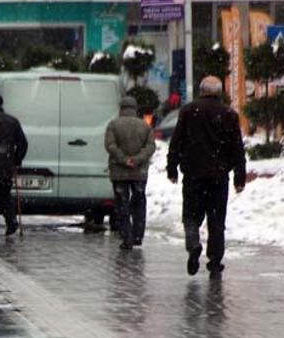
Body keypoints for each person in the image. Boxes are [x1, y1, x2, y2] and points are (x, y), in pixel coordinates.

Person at [167, 76, 247, 278]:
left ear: (201, 91)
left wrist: (172, 167)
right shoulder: (229, 114)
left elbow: (177, 141)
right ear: (220, 92)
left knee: (191, 216)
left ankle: (193, 243)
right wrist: (239, 176)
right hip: (218, 176)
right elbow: (237, 148)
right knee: (217, 221)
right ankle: (215, 262)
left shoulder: (188, 111)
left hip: (193, 175)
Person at [104, 96, 156, 250]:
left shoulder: (113, 125)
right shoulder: (144, 126)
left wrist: (123, 159)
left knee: (122, 203)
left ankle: (126, 237)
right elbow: (150, 146)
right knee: (139, 202)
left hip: (119, 171)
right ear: (135, 108)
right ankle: (138, 235)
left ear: (121, 108)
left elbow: (110, 145)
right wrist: (138, 159)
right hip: (139, 172)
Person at [0, 93, 28, 237]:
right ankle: (11, 221)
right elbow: (23, 143)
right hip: (6, 166)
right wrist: (16, 160)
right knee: (5, 195)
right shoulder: (12, 121)